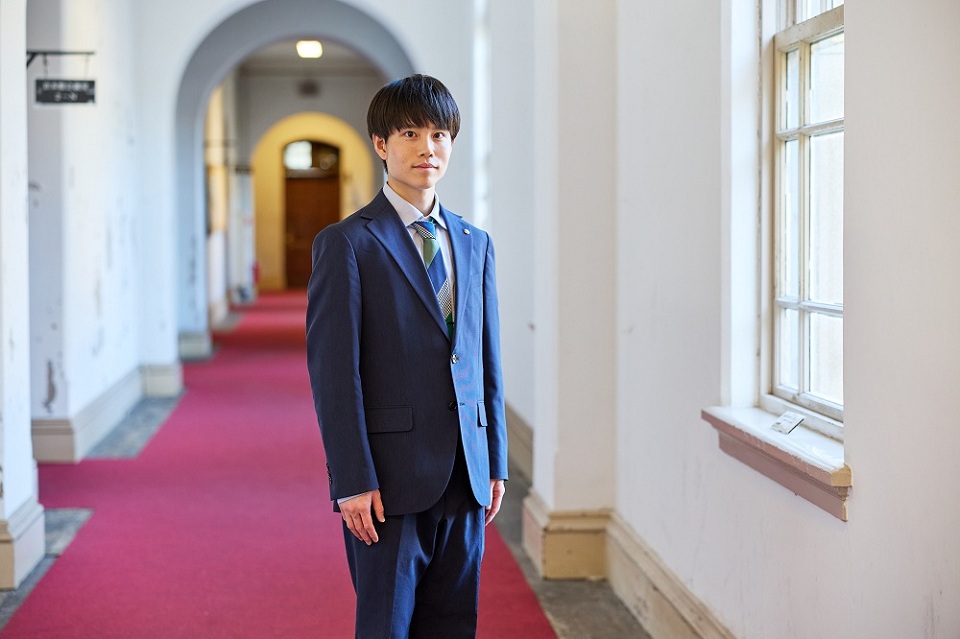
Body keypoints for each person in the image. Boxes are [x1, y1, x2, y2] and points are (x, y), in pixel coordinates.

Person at [305, 74, 508, 638]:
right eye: (411, 134)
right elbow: (334, 375)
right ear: (381, 144)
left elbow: (486, 361)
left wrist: (494, 460)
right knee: (387, 626)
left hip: (465, 475)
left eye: (439, 135)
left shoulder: (475, 243)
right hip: (388, 482)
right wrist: (351, 479)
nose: (427, 149)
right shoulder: (348, 243)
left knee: (452, 625)